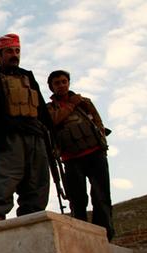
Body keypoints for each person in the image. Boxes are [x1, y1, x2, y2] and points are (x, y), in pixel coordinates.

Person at [0, 33, 54, 222]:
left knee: (38, 180)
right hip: (7, 136)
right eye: (9, 51)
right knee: (5, 177)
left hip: (35, 135)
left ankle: (32, 220)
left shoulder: (28, 78)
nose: (14, 55)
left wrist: (51, 137)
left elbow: (41, 109)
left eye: (17, 51)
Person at [46, 70, 114, 240]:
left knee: (101, 196)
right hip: (70, 159)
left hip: (95, 153)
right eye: (57, 83)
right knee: (77, 200)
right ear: (51, 87)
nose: (61, 85)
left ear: (68, 83)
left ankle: (104, 235)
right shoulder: (49, 108)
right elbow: (53, 121)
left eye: (64, 81)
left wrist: (101, 141)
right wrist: (71, 105)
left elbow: (98, 122)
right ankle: (81, 237)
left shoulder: (85, 103)